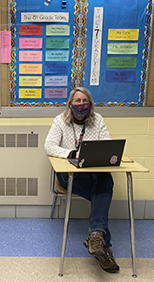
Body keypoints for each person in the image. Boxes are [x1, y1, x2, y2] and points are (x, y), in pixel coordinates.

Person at [44, 87, 119, 273]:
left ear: (90, 104)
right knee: (102, 194)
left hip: (94, 171)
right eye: (77, 101)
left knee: (105, 181)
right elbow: (49, 146)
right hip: (68, 175)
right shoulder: (60, 121)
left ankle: (96, 236)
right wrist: (71, 153)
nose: (81, 105)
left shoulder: (98, 120)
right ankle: (103, 243)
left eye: (85, 101)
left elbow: (107, 144)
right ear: (70, 104)